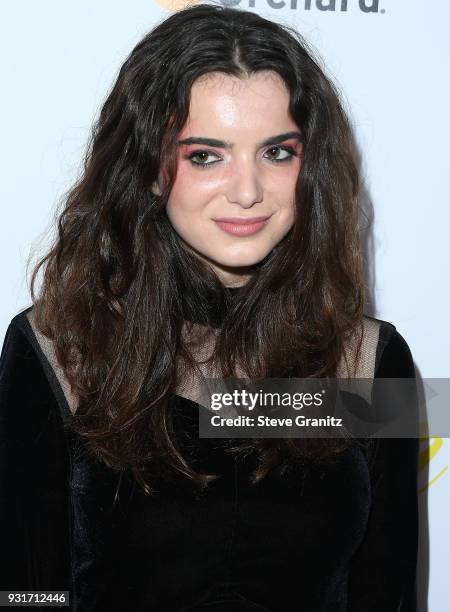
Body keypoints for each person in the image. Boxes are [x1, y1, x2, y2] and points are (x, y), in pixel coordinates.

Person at [0, 3, 419, 611]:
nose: (247, 190)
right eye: (205, 155)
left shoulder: (368, 359)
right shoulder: (63, 352)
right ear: (147, 167)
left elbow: (388, 593)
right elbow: (23, 591)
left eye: (277, 152)